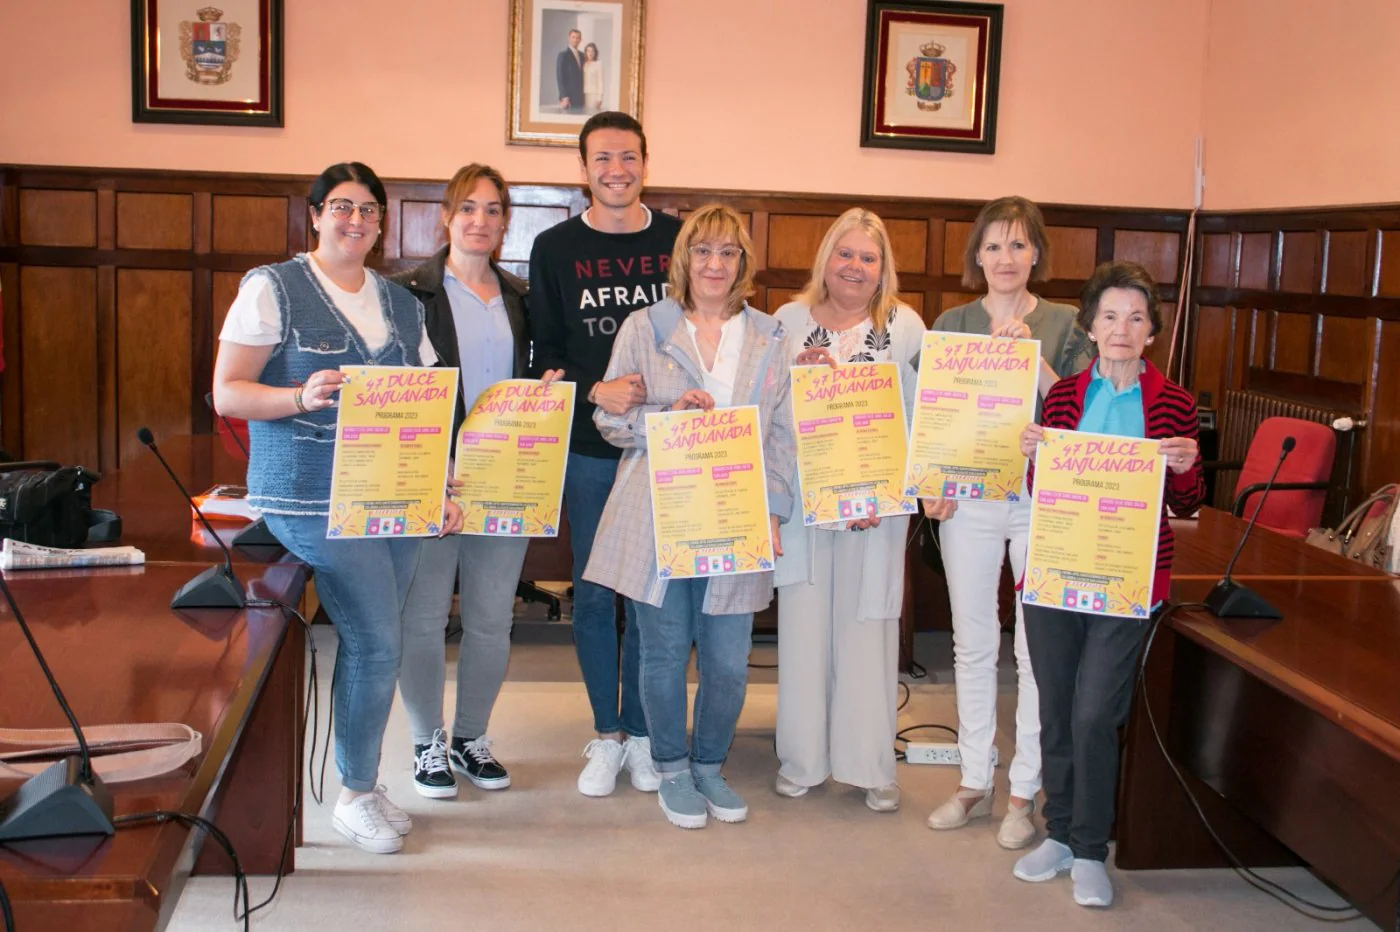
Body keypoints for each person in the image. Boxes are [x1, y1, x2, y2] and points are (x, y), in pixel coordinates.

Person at [212, 162, 463, 854]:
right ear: (316, 214)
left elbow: (426, 407)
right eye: (343, 207)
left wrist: (442, 486)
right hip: (308, 496)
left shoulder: (403, 304)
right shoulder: (273, 288)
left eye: (370, 211)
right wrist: (297, 397)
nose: (357, 221)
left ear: (382, 225)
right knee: (377, 638)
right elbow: (228, 392)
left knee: (381, 640)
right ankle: (352, 795)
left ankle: (365, 780)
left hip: (394, 495)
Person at [585, 204, 795, 829]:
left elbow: (782, 432)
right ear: (684, 259)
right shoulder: (643, 327)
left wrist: (776, 509)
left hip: (737, 511)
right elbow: (609, 419)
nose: (714, 264)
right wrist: (670, 415)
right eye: (702, 250)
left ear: (743, 263)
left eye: (728, 252)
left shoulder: (770, 335)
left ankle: (709, 766)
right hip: (659, 510)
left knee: (729, 658)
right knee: (664, 649)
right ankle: (672, 768)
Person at [1012, 260, 1204, 907]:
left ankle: (1093, 846)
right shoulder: (1065, 395)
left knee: (1096, 713)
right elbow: (1045, 491)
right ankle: (1061, 833)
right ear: (1091, 327)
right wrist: (1036, 455)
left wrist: (1185, 464)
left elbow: (1188, 501)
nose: (1122, 329)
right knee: (1057, 710)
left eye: (1137, 317)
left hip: (1129, 581)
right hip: (1057, 576)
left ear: (1152, 331)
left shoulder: (1174, 402)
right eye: (1110, 316)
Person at [922, 195, 1092, 850]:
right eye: (993, 245)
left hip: (1041, 502)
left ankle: (1023, 790)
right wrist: (932, 487)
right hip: (970, 500)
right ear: (977, 255)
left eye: (1019, 245)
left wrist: (1037, 364)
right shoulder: (953, 319)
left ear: (1037, 254)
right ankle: (973, 779)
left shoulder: (1067, 323)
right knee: (972, 643)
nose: (1005, 258)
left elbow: (1081, 415)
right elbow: (935, 416)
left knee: (1034, 649)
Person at [392, 164, 563, 800]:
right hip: (437, 480)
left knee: (493, 619)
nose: (481, 221)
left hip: (505, 480)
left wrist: (544, 392)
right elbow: (401, 392)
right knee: (425, 618)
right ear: (446, 216)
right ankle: (425, 742)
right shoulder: (410, 292)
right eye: (469, 208)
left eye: (494, 210)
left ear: (505, 222)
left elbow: (537, 370)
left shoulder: (520, 296)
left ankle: (470, 737)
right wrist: (431, 474)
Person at [528, 111, 683, 797]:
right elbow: (546, 354)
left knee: (657, 599)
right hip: (591, 449)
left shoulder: (679, 241)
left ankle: (647, 732)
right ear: (583, 168)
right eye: (602, 159)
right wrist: (598, 389)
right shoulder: (555, 247)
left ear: (646, 161)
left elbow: (708, 332)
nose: (615, 170)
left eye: (628, 157)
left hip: (670, 451)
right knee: (593, 595)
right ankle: (608, 734)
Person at [771, 208, 924, 812]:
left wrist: (887, 489)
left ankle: (869, 766)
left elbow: (920, 416)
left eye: (868, 257)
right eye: (845, 254)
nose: (854, 267)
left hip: (876, 509)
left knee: (868, 630)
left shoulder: (905, 327)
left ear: (883, 268)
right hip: (806, 503)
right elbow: (766, 407)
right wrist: (792, 380)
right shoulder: (785, 321)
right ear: (825, 259)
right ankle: (803, 760)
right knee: (805, 628)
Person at [556, 28, 585, 113]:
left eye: (577, 38)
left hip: (580, 97)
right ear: (569, 38)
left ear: (580, 39)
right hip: (568, 97)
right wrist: (565, 96)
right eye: (573, 37)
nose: (575, 40)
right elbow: (560, 77)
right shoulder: (563, 55)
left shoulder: (582, 55)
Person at [582, 43, 604, 112]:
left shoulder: (598, 64)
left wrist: (599, 98)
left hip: (593, 94)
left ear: (595, 53)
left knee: (592, 114)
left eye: (592, 51)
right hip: (583, 94)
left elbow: (601, 81)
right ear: (585, 52)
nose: (590, 53)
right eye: (588, 51)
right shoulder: (584, 64)